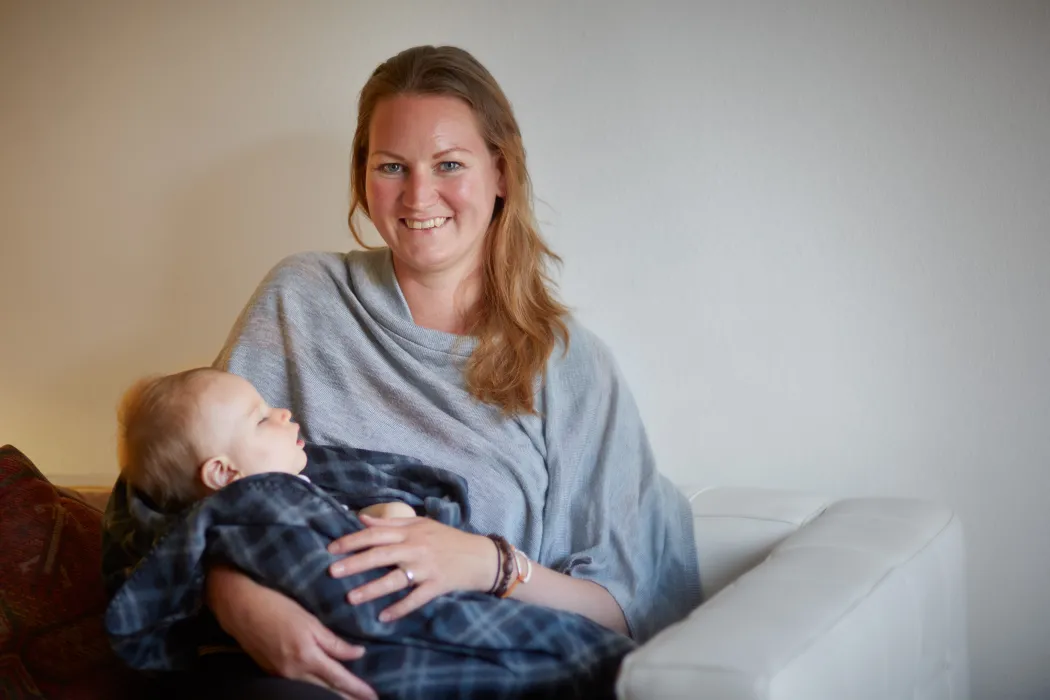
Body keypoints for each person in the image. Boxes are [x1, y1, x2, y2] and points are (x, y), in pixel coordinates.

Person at [103, 44, 701, 700]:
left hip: (472, 668)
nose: (419, 196)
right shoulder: (300, 300)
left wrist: (489, 564)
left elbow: (622, 609)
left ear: (500, 173)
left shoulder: (569, 367)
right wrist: (241, 605)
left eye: (449, 164)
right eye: (392, 166)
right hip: (293, 668)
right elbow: (183, 496)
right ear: (364, 176)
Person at [115, 367, 414, 519]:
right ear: (224, 472)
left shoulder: (292, 497)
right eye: (260, 419)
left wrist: (379, 516)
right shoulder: (265, 520)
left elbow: (337, 528)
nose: (283, 413)